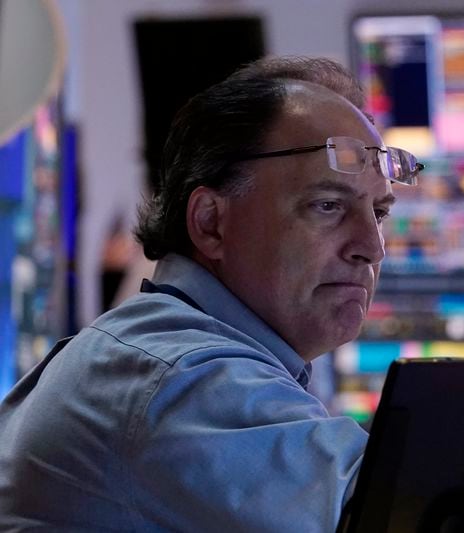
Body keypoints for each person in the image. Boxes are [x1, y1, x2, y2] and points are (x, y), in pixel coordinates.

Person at [0, 56, 422, 531]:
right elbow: (403, 516)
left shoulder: (159, 352)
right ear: (210, 223)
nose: (371, 247)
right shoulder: (179, 376)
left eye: (379, 214)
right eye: (327, 206)